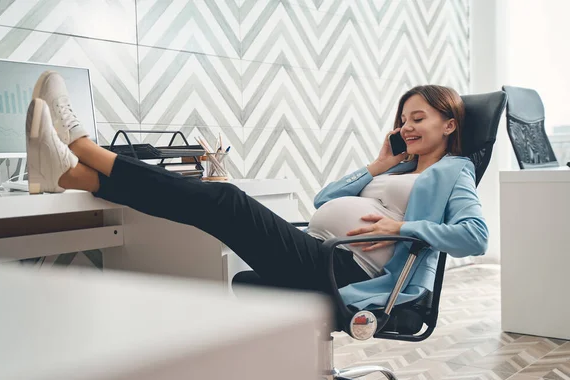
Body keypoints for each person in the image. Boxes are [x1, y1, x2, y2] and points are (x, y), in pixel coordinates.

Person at [26, 72, 488, 310]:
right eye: (402, 119)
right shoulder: (395, 169)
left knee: (223, 199)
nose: (406, 127)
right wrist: (379, 164)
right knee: (214, 202)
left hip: (353, 273)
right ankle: (71, 174)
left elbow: (475, 236)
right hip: (325, 252)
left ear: (449, 124)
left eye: (418, 118)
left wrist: (402, 226)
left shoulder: (453, 171)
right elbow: (325, 200)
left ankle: (80, 147)